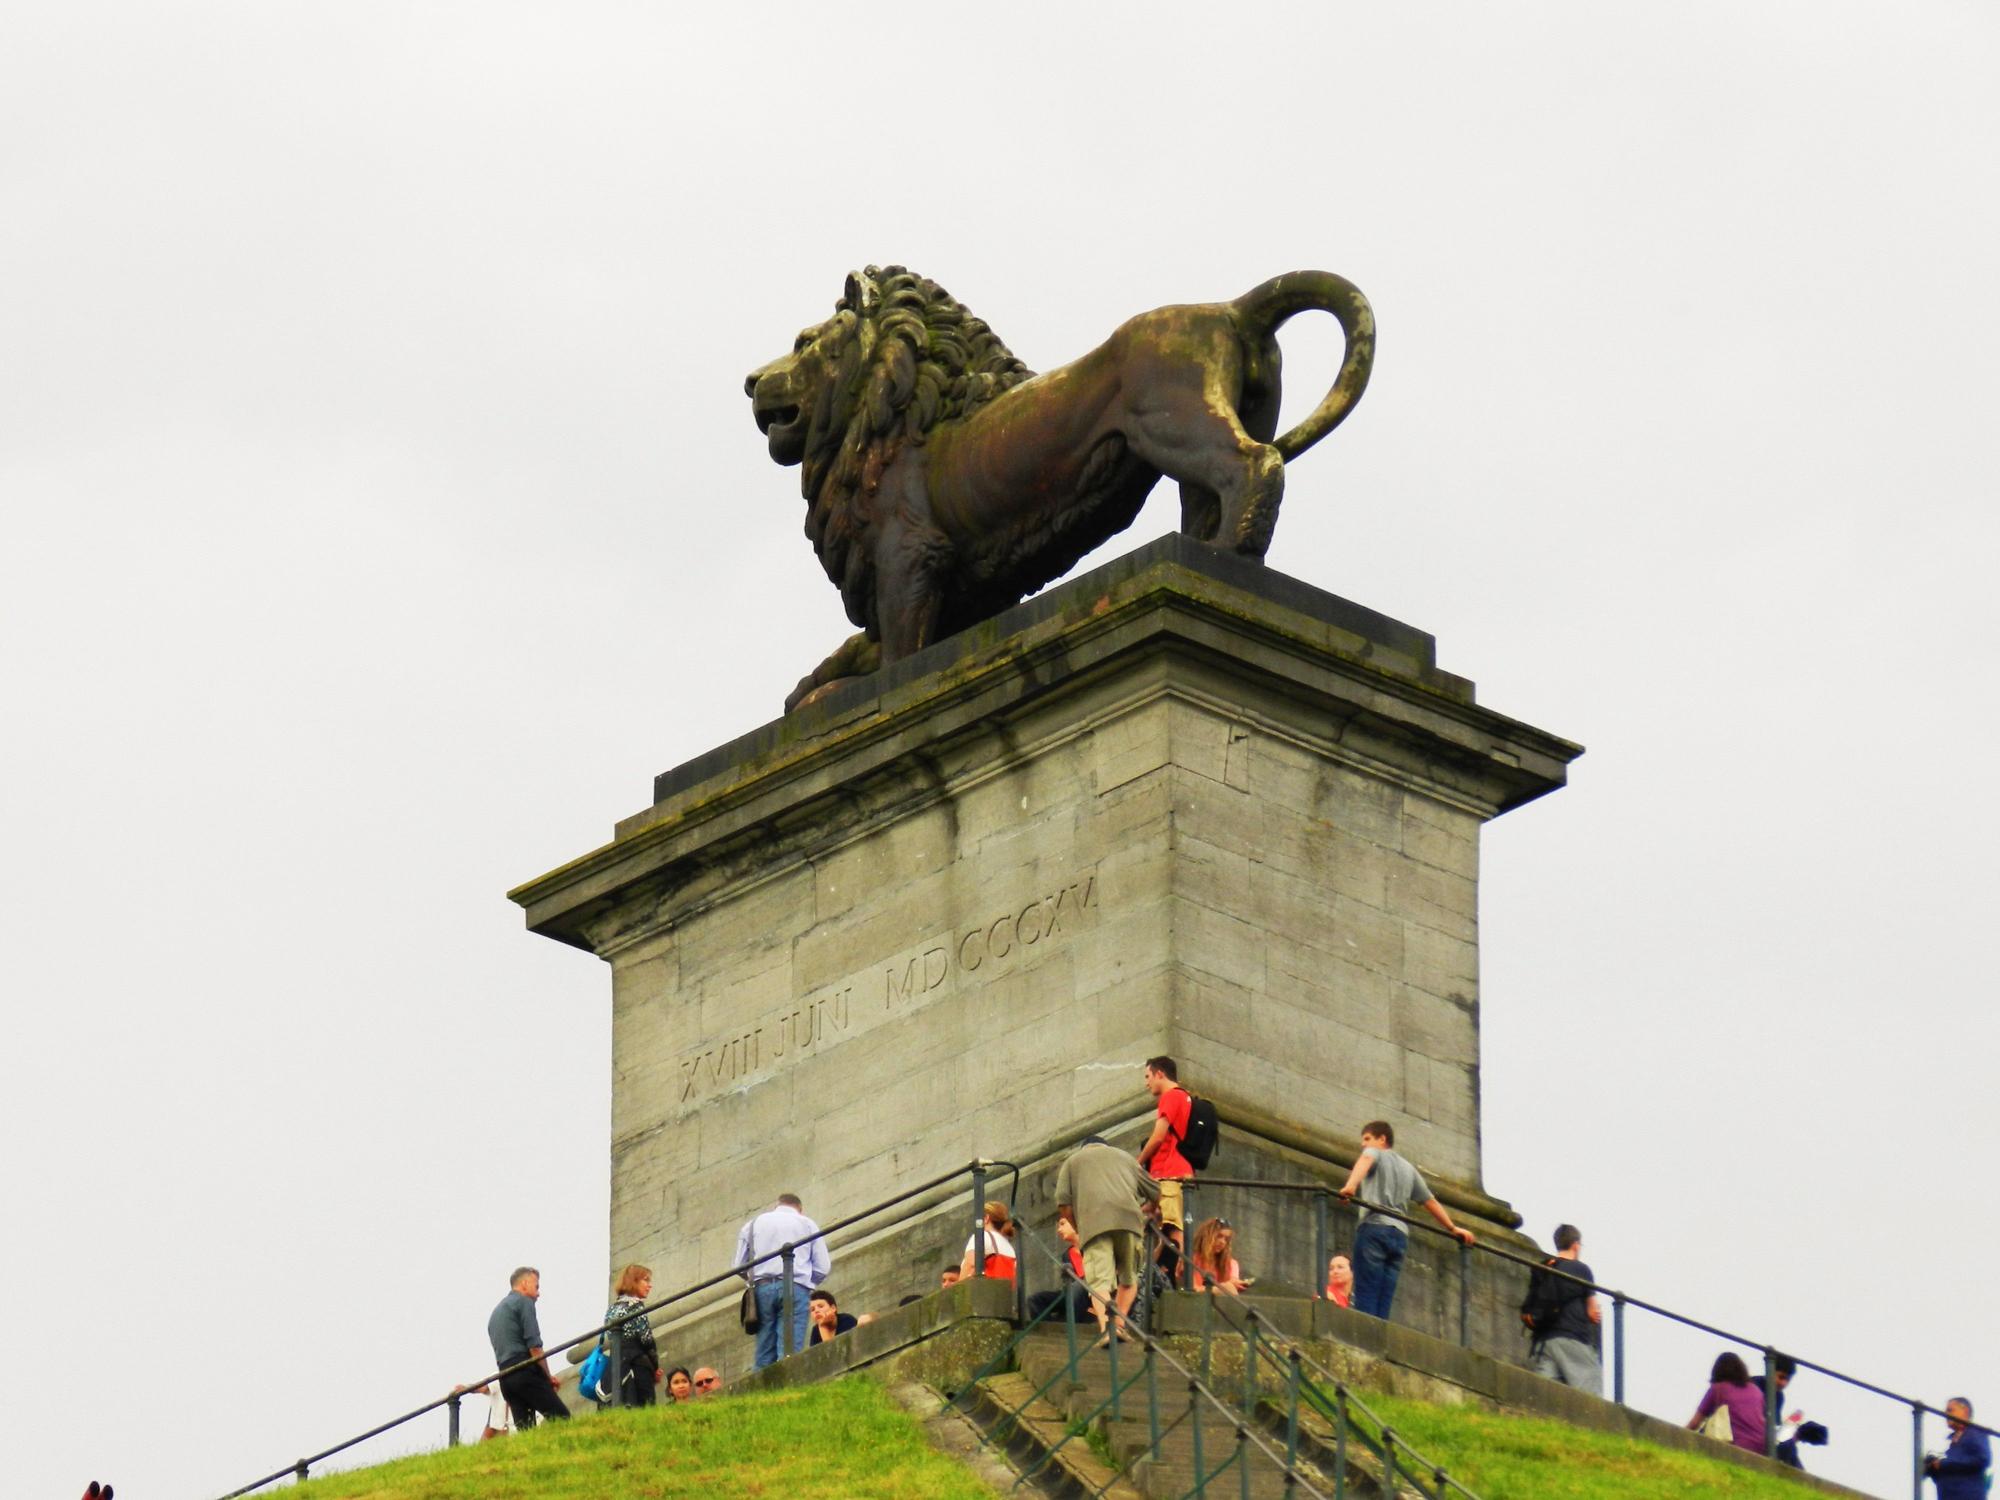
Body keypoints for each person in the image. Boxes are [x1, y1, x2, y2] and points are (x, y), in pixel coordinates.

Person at [1336, 1121, 1474, 1320]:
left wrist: (1350, 1186)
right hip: (1399, 1236)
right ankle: (1379, 1334)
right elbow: (1429, 1201)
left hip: (1375, 1227)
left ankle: (1365, 1334)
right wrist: (1452, 1228)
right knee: (1384, 1298)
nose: (1363, 1144)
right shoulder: (1408, 1169)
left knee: (1366, 1291)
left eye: (1367, 1138)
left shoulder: (1374, 1153)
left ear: (1382, 1139)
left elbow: (1365, 1159)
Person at [1056, 1133, 1161, 1348]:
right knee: (1129, 1278)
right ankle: (1119, 1326)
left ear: (1084, 1148)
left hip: (1094, 1226)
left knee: (1099, 1282)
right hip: (1129, 1222)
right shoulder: (1126, 1158)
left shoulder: (1072, 1162)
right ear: (1106, 1147)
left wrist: (1079, 1227)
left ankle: (1107, 1329)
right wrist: (1149, 1208)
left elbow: (1063, 1204)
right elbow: (1156, 1190)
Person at [735, 1192, 829, 1369]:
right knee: (789, 1349)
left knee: (764, 1351)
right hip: (795, 1288)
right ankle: (788, 1380)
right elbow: (822, 1267)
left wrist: (755, 1278)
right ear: (799, 1209)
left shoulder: (752, 1225)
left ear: (776, 1206)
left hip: (761, 1290)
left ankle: (762, 1384)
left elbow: (739, 1265)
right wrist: (806, 1283)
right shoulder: (807, 1224)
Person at [486, 1266, 570, 1429]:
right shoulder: (524, 1302)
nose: (538, 1293)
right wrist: (547, 1377)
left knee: (526, 1430)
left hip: (505, 1378)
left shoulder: (495, 1314)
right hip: (524, 1370)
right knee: (562, 1419)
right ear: (524, 1284)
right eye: (536, 1286)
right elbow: (535, 1347)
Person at [1524, 1224, 1601, 1394]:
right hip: (1573, 1339)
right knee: (1589, 1396)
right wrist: (1596, 1313)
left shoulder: (1543, 1267)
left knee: (1545, 1396)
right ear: (1576, 1245)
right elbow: (1592, 1312)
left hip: (1543, 1341)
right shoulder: (1582, 1269)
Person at [1137, 1057, 1196, 1254]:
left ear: (1160, 1074)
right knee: (1164, 1225)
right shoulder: (1185, 1097)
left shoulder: (1170, 1097)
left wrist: (1138, 1162)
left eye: (1148, 1076)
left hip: (1170, 1172)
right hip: (1176, 1171)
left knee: (1172, 1229)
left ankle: (1179, 1269)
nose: (1146, 1083)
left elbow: (1158, 1137)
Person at [604, 1263, 662, 1407]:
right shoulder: (636, 1306)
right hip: (637, 1362)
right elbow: (646, 1339)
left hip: (616, 1362)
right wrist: (655, 1366)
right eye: (646, 1280)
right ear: (634, 1282)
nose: (649, 1285)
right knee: (645, 1406)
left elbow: (609, 1335)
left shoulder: (612, 1309)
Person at [1688, 1351, 1768, 1454]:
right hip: (1760, 1447)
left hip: (1736, 1444)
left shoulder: (1718, 1389)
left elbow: (1695, 1423)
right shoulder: (1756, 1391)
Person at [1025, 1215, 1095, 1324]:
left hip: (1093, 1293)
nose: (1059, 1230)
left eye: (1062, 1224)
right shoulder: (1067, 1254)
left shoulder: (1094, 1247)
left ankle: (1068, 1325)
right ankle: (1050, 1328)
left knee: (1079, 1286)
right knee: (1035, 1300)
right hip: (1073, 1294)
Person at [1926, 1397, 1992, 1499]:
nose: (1946, 1415)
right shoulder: (1954, 1443)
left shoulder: (1975, 1433)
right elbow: (1954, 1471)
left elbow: (1982, 1459)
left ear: (1965, 1410)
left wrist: (1944, 1464)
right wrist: (1934, 1469)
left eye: (1950, 1410)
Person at [959, 1199, 1017, 1280]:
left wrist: (959, 1287)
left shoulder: (982, 1236)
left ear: (986, 1218)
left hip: (984, 1286)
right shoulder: (1009, 1246)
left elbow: (971, 1265)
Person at [1188, 1217, 1247, 1294]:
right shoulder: (1190, 1259)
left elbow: (1233, 1281)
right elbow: (1192, 1290)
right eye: (1219, 1236)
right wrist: (1224, 1287)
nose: (1222, 1242)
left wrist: (1236, 1284)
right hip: (1196, 1299)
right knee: (1228, 1287)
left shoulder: (1231, 1263)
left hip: (1221, 1300)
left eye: (1226, 1239)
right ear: (1206, 1236)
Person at [808, 1288, 873, 1344]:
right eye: (812, 1309)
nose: (816, 1311)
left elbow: (837, 1352)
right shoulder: (816, 1331)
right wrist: (822, 1326)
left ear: (833, 1308)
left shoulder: (846, 1320)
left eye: (821, 1306)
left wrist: (823, 1327)